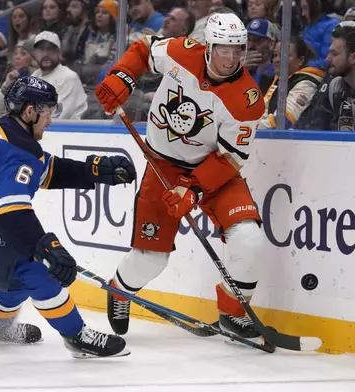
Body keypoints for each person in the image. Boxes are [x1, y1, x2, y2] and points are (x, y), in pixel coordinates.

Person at [0, 76, 137, 358]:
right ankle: (77, 336)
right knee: (35, 267)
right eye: (47, 112)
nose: (50, 121)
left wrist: (92, 171)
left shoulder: (0, 129)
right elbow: (9, 212)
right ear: (30, 111)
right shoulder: (18, 149)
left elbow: (43, 168)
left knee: (18, 264)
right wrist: (46, 247)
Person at [95, 13, 267, 341]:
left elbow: (231, 157)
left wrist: (194, 190)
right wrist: (122, 76)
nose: (231, 58)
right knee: (150, 260)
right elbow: (144, 51)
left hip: (214, 173)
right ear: (207, 47)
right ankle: (120, 289)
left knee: (249, 239)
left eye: (238, 50)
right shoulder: (180, 52)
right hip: (164, 167)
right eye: (223, 50)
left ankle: (232, 314)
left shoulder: (248, 101)